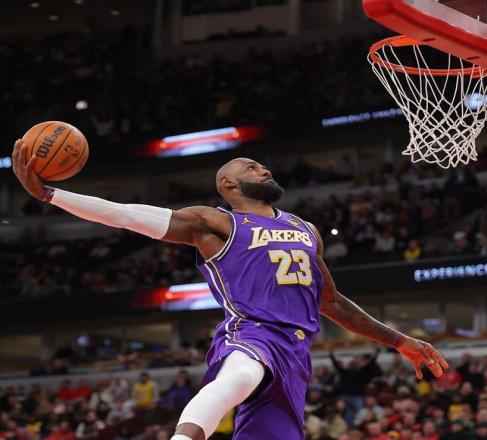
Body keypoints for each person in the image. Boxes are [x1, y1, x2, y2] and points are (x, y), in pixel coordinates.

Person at [12, 145, 449, 440]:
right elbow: (128, 215)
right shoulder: (216, 222)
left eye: (262, 165)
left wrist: (399, 340)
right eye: (250, 166)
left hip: (296, 354)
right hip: (251, 331)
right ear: (228, 184)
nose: (263, 169)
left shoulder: (306, 229)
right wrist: (51, 194)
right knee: (240, 375)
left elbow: (330, 302)